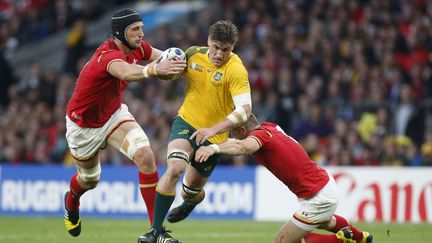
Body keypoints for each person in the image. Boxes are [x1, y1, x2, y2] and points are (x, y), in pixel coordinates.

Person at [63, 8, 186, 240]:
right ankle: (71, 202)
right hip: (83, 128)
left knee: (146, 155)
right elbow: (126, 72)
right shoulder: (106, 56)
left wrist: (190, 64)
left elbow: (166, 57)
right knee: (89, 180)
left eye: (141, 28)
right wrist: (154, 70)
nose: (141, 33)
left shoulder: (137, 47)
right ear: (120, 33)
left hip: (113, 115)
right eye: (135, 29)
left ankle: (157, 231)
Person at [138, 20, 252, 243]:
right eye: (215, 47)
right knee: (174, 169)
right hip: (187, 123)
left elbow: (245, 110)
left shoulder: (236, 70)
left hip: (213, 138)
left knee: (190, 191)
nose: (219, 54)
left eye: (226, 49)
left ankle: (191, 201)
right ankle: (155, 231)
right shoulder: (193, 54)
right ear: (208, 41)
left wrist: (213, 130)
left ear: (233, 47)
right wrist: (162, 72)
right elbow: (169, 71)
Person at [194, 114, 373, 243]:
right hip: (323, 185)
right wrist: (215, 144)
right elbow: (239, 143)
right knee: (325, 222)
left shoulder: (260, 137)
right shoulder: (270, 127)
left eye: (233, 133)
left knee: (282, 241)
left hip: (318, 195)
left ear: (242, 130)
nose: (232, 137)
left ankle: (341, 241)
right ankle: (360, 237)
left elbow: (242, 147)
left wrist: (214, 149)